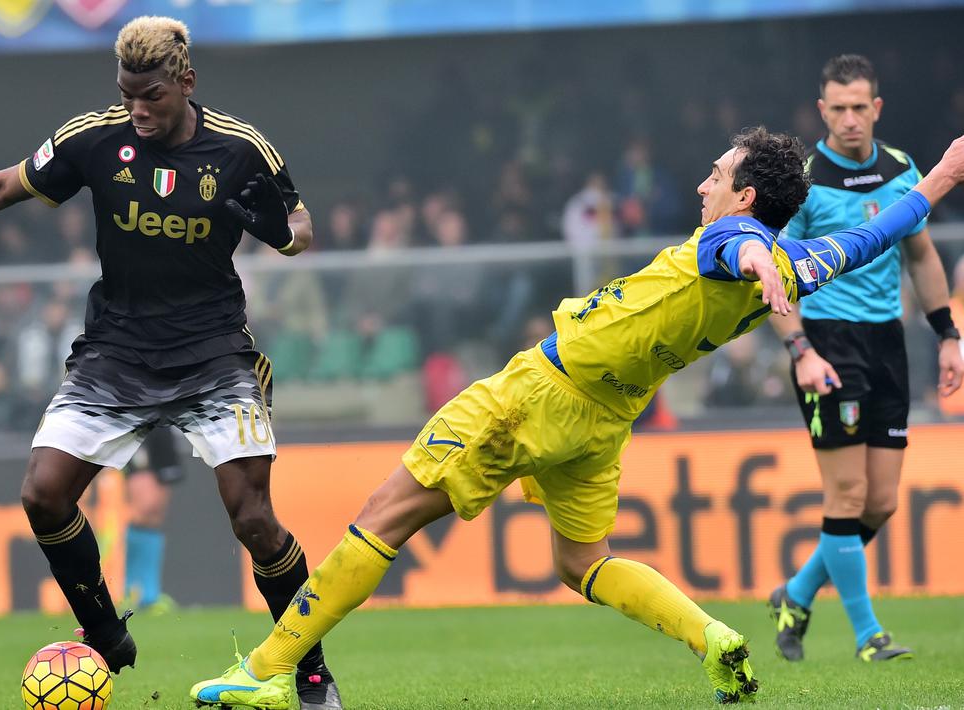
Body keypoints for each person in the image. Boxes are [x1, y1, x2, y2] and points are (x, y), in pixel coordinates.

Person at [189, 127, 964, 708]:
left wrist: (759, 262)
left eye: (716, 174)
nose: (702, 184)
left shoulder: (734, 242)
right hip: (602, 423)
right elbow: (871, 237)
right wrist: (938, 178)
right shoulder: (799, 260)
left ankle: (265, 672)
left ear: (745, 196)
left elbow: (738, 248)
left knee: (383, 517)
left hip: (535, 395)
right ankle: (713, 636)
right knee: (580, 563)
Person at [0, 16, 343, 709]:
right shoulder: (95, 138)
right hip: (117, 349)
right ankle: (103, 628)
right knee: (43, 492)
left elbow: (300, 227)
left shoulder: (241, 149)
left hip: (215, 352)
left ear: (185, 82)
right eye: (127, 95)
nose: (137, 110)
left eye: (150, 95)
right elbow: (2, 188)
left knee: (252, 520)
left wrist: (280, 234)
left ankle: (307, 670)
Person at [767, 55, 963, 663]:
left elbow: (923, 256)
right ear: (821, 110)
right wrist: (798, 349)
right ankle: (867, 635)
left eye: (860, 107)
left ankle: (795, 593)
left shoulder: (904, 169)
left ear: (876, 108)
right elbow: (776, 276)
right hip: (827, 342)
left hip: (887, 343)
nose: (850, 119)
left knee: (880, 503)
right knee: (847, 496)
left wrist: (948, 334)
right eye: (838, 108)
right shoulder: (802, 183)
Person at [123, 427, 183, 615]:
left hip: (163, 433)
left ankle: (150, 593)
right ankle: (133, 592)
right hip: (143, 431)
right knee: (143, 513)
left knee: (154, 517)